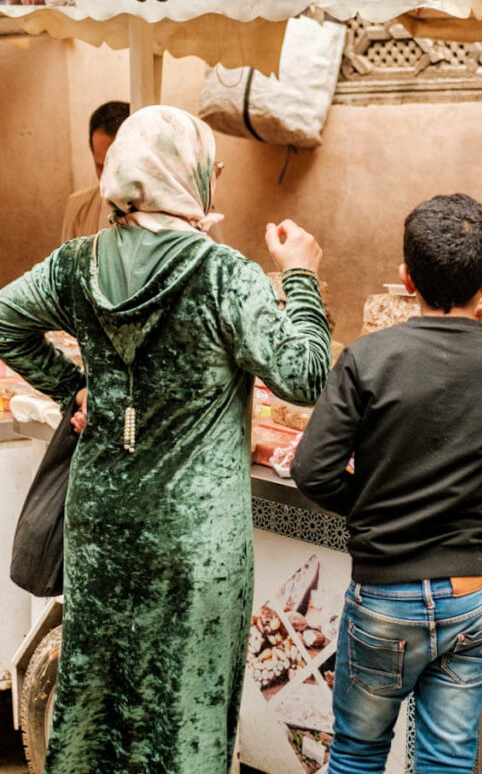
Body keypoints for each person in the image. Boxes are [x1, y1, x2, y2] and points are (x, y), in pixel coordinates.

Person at [0, 105, 331, 774]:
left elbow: (6, 323)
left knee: (98, 697)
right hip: (195, 536)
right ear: (186, 174)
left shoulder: (76, 264)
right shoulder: (224, 274)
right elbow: (303, 375)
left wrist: (74, 390)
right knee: (186, 705)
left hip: (101, 522)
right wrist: (300, 275)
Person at [291, 193, 482, 774]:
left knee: (357, 756)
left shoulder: (367, 357)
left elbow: (312, 470)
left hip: (384, 600)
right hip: (469, 599)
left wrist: (372, 506)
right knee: (448, 762)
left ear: (405, 278)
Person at [61, 100, 130, 242]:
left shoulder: (167, 213)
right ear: (91, 146)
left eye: (118, 168)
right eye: (101, 167)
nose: (109, 180)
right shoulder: (77, 209)